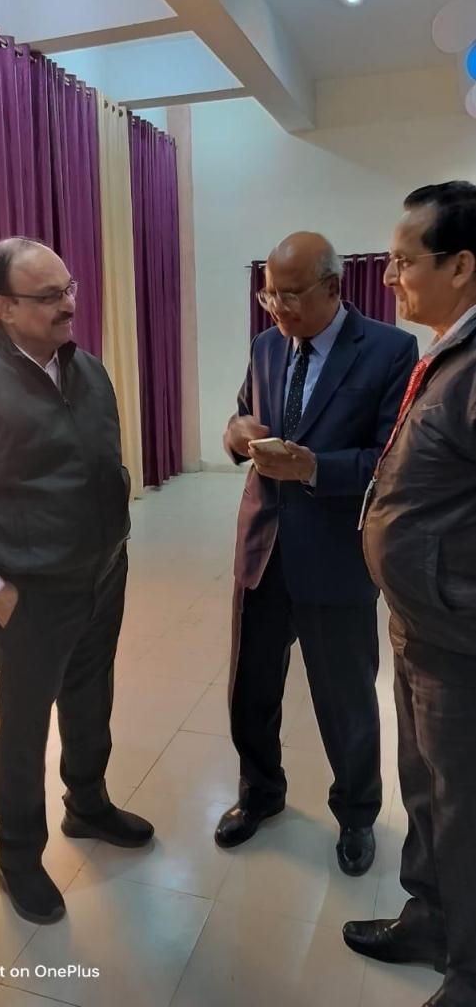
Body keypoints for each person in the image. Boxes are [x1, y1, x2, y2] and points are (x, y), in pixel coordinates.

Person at [0, 237, 154, 925]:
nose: (69, 304)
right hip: (30, 594)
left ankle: (88, 805)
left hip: (101, 574)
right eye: (49, 296)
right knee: (23, 725)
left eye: (68, 287)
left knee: (90, 697)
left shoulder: (88, 369)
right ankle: (17, 856)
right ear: (2, 307)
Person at [215, 232, 418, 877]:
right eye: (270, 294)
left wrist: (313, 467)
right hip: (262, 550)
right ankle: (260, 793)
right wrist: (236, 433)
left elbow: (391, 460)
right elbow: (242, 415)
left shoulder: (389, 350)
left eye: (292, 294)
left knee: (345, 701)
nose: (278, 307)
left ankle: (357, 815)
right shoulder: (266, 345)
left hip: (335, 555)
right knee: (251, 689)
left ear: (333, 286)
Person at [343, 182, 476, 1007]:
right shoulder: (446, 351)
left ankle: (468, 972)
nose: (390, 276)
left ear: (460, 265)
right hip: (421, 623)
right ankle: (429, 920)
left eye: (403, 261)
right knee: (424, 788)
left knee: (464, 807)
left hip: (459, 638)